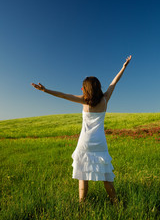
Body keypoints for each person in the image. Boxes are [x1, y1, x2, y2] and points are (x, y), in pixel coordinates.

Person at [31, 55, 132, 205]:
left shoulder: (83, 100)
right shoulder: (105, 100)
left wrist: (45, 90)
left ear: (86, 89)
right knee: (106, 177)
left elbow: (63, 95)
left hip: (84, 142)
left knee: (83, 176)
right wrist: (124, 67)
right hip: (100, 143)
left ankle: (81, 205)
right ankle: (115, 203)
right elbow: (114, 82)